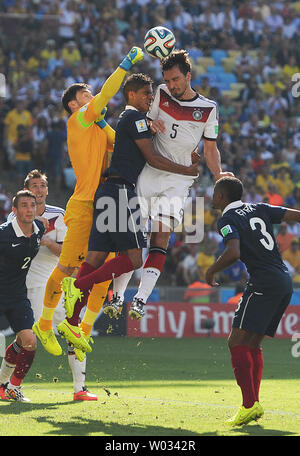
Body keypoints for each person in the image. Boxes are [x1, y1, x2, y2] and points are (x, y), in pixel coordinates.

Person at [58, 72, 199, 349]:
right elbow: (153, 158)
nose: (151, 98)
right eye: (147, 93)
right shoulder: (133, 117)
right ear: (132, 95)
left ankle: (71, 323)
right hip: (122, 192)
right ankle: (76, 287)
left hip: (107, 192)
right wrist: (187, 169)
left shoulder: (132, 121)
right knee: (134, 259)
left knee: (96, 258)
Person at [104, 49, 234, 319]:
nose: (171, 85)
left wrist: (218, 173)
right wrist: (151, 124)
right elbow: (144, 119)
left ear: (188, 76)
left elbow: (210, 149)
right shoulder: (160, 93)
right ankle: (116, 296)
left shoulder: (208, 109)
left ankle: (140, 299)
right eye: (168, 79)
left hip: (179, 180)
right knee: (133, 236)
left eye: (176, 79)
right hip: (150, 171)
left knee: (160, 234)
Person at [32, 47, 144, 357]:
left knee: (102, 272)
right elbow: (106, 95)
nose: (91, 97)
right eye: (86, 95)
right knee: (68, 267)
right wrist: (125, 65)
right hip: (83, 204)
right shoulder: (78, 120)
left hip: (106, 204)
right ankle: (44, 324)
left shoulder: (98, 126)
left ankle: (80, 330)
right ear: (73, 104)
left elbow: (122, 143)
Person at [205, 176, 300, 426]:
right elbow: (295, 216)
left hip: (263, 281)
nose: (212, 198)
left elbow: (234, 252)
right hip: (283, 280)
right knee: (253, 343)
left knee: (235, 341)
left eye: (215, 193)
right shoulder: (259, 208)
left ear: (222, 197)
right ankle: (252, 404)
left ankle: (249, 404)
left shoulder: (227, 219)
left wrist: (211, 270)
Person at [6, 170, 97, 401]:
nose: (39, 190)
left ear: (47, 190)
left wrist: (46, 241)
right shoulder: (15, 217)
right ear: (27, 190)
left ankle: (80, 388)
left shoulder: (60, 214)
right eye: (34, 186)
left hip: (56, 278)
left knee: (72, 329)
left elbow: (69, 252)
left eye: (42, 186)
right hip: (30, 283)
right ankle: (8, 385)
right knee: (27, 338)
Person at [0, 190, 44, 402]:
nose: (29, 209)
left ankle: (11, 388)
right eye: (24, 206)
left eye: (32, 205)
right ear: (14, 211)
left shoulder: (39, 229)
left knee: (29, 341)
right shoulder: (3, 234)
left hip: (17, 295)